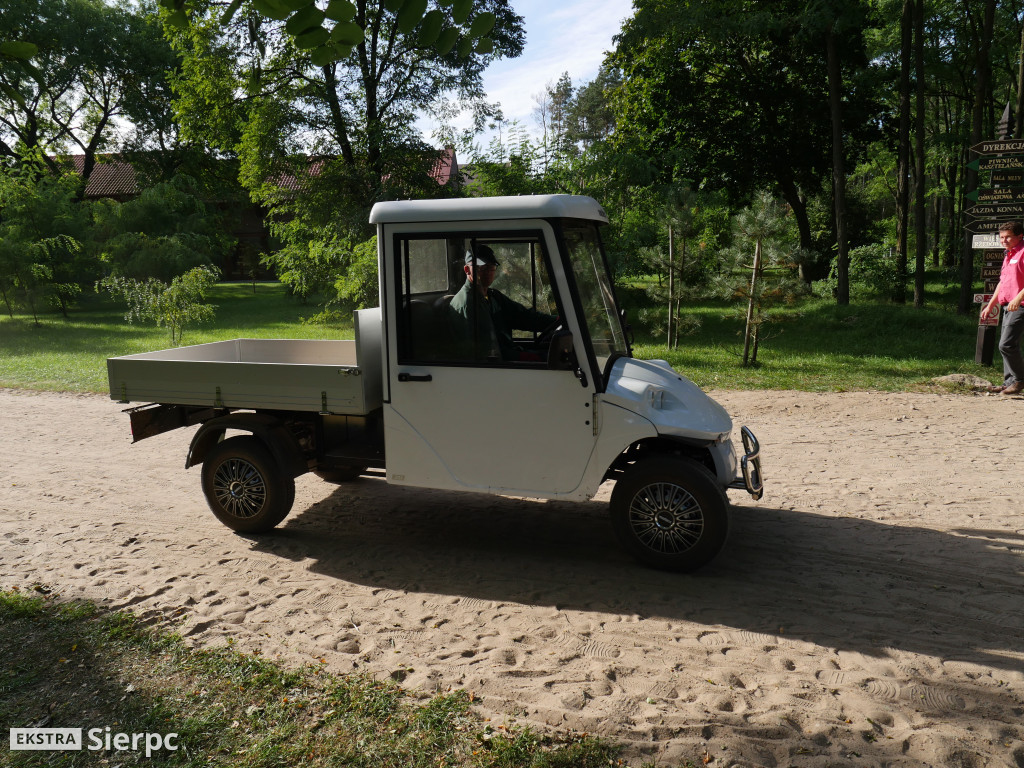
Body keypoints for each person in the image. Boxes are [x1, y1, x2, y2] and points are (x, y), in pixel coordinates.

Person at [448, 243, 556, 362]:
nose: (488, 272)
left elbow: (524, 317)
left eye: (492, 267)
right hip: (496, 367)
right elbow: (487, 352)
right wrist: (527, 357)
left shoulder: (493, 296)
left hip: (508, 356)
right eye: (483, 268)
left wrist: (556, 321)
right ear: (467, 269)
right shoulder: (468, 304)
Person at [981, 221, 1024, 394]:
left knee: (1006, 345)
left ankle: (1020, 380)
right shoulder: (1008, 254)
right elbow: (1003, 282)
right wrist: (991, 305)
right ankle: (1010, 382)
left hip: (1020, 305)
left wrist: (1019, 297)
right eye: (1001, 237)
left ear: (1020, 236)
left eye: (1008, 237)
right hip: (1008, 306)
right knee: (1009, 344)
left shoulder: (1022, 252)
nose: (1004, 240)